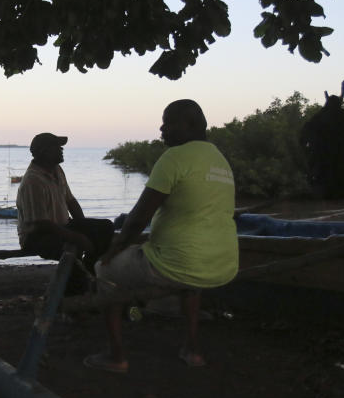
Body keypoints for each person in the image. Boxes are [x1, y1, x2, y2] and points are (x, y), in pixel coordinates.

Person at [84, 100, 238, 373]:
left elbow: (137, 219)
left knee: (102, 270)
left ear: (189, 125)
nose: (161, 128)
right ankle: (193, 351)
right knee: (190, 273)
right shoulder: (218, 158)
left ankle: (116, 356)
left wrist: (113, 251)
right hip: (221, 264)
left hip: (177, 263)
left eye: (168, 122)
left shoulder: (174, 157)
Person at [16, 133, 114, 294]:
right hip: (36, 236)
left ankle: (91, 268)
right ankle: (72, 302)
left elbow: (71, 201)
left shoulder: (57, 170)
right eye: (56, 147)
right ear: (43, 152)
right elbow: (41, 224)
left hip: (60, 227)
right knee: (70, 256)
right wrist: (78, 237)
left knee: (106, 227)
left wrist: (84, 227)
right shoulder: (33, 181)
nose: (61, 150)